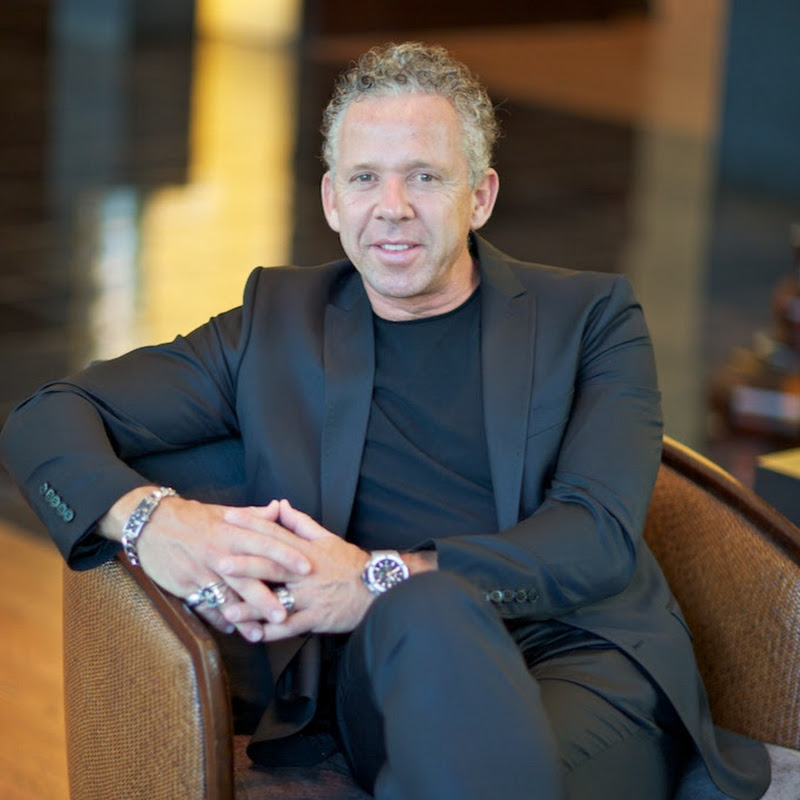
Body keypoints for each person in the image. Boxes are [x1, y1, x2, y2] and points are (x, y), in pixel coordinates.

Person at [0, 42, 768, 800]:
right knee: (427, 619)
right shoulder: (276, 325)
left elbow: (597, 536)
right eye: (365, 177)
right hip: (395, 674)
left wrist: (377, 578)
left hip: (576, 653)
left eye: (425, 176)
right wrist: (153, 521)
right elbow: (44, 418)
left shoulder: (591, 319)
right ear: (332, 199)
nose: (392, 207)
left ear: (480, 196)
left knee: (443, 679)